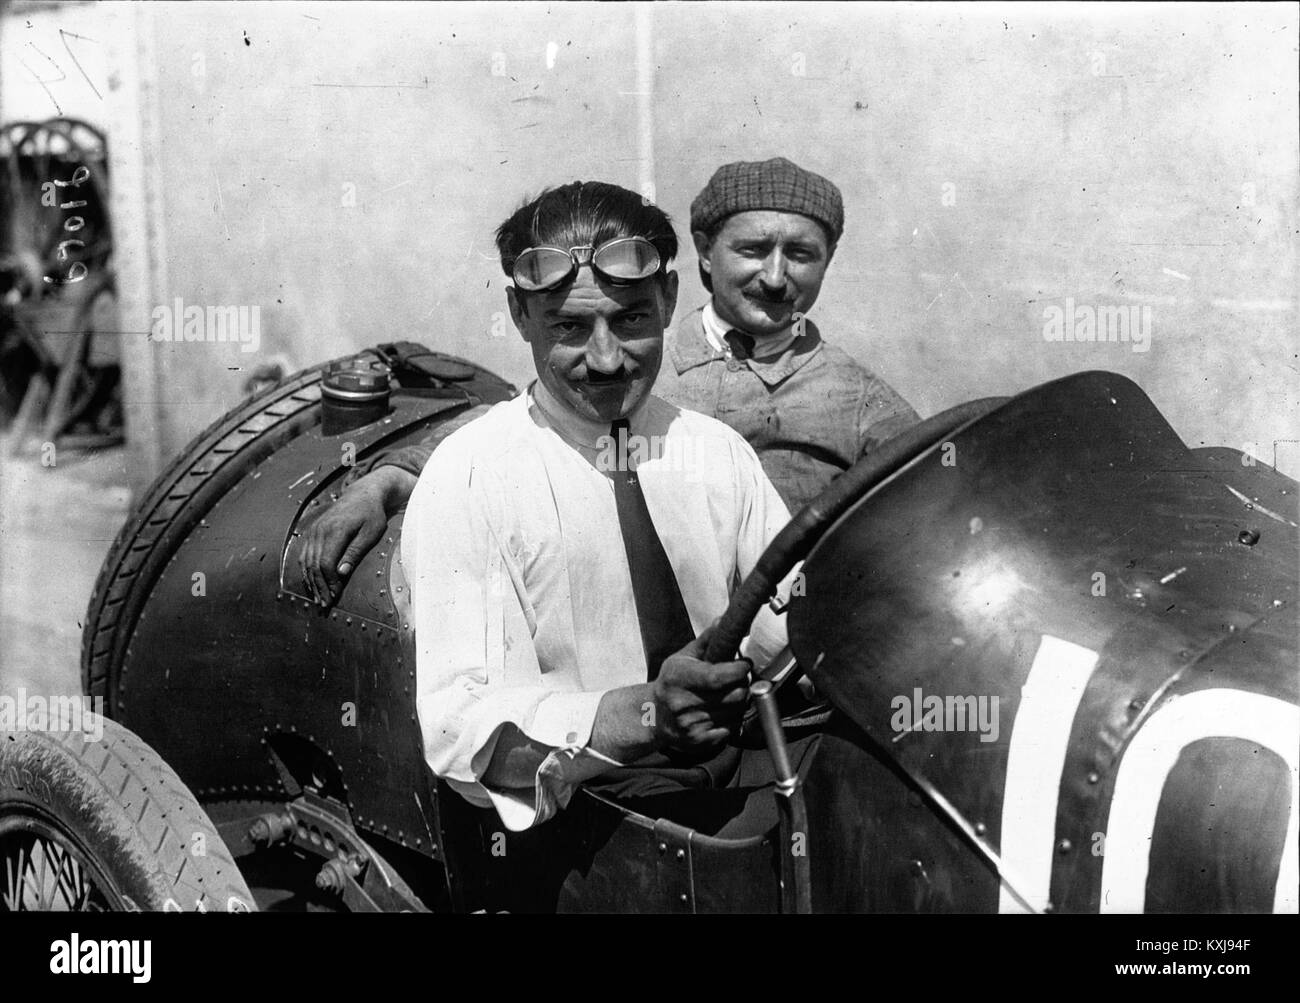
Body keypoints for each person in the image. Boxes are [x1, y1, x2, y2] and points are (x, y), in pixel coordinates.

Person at [300, 157, 918, 603]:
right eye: (753, 250)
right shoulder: (633, 359)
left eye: (802, 255)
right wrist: (384, 481)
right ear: (704, 253)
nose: (777, 278)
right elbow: (515, 424)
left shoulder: (858, 395)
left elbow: (927, 501)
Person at [401, 181, 799, 832]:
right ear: (519, 314)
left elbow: (795, 636)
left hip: (742, 806)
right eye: (570, 326)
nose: (607, 358)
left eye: (631, 319)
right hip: (584, 841)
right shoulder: (470, 478)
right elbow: (460, 743)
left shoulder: (717, 455)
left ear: (669, 301)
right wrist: (633, 717)